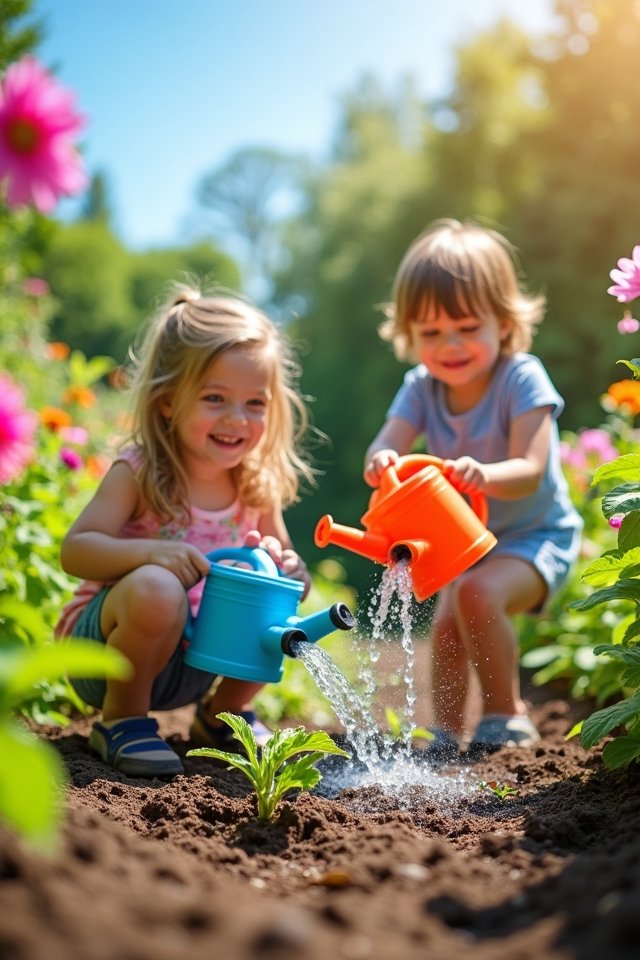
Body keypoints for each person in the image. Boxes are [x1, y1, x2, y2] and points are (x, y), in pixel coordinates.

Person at [55, 284, 314, 777]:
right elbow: (76, 550)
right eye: (215, 398)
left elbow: (286, 567)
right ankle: (121, 721)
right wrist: (150, 553)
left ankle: (223, 716)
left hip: (197, 663)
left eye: (255, 403)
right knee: (158, 588)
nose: (236, 419)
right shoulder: (140, 471)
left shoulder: (255, 487)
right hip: (106, 659)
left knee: (279, 605)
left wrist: (289, 570)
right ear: (169, 401)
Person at [364, 218, 582, 756]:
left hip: (535, 537)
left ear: (503, 322)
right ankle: (444, 734)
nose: (450, 345)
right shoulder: (421, 388)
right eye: (431, 333)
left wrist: (483, 474)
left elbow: (530, 468)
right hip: (466, 546)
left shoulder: (521, 378)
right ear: (409, 333)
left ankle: (507, 716)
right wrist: (382, 461)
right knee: (445, 629)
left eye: (465, 327)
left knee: (476, 594)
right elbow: (383, 447)